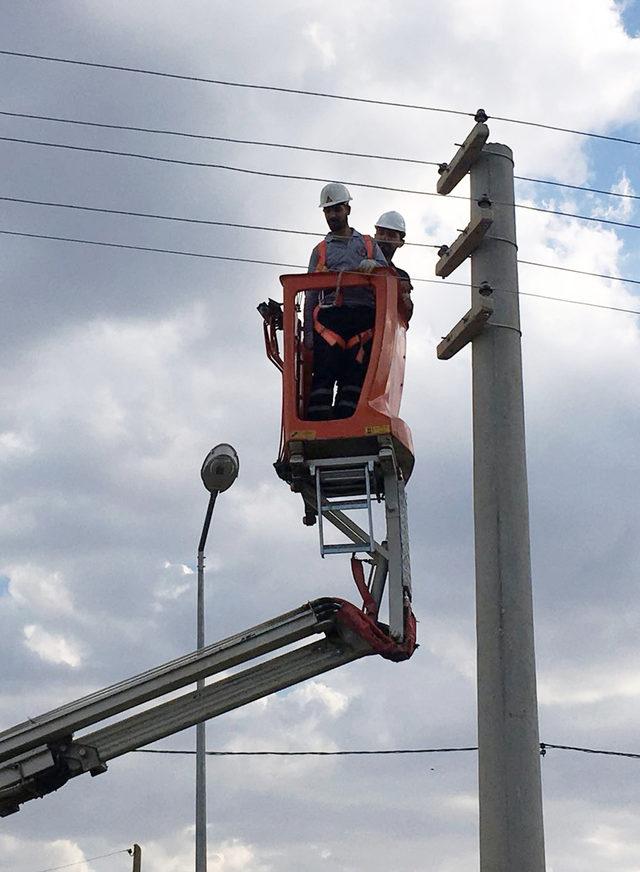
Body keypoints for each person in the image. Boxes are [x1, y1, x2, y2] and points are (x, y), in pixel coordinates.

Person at [305, 183, 387, 420]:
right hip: (330, 319)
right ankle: (319, 422)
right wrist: (309, 336)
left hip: (363, 318)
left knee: (355, 372)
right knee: (324, 371)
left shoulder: (368, 245)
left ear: (347, 210)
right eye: (328, 211)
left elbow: (387, 274)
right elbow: (310, 294)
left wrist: (377, 267)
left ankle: (347, 420)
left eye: (336, 210)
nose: (332, 215)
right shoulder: (320, 251)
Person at [373, 211, 414, 323]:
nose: (384, 238)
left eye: (391, 235)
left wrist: (403, 297)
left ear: (401, 242)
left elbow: (406, 314)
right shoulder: (359, 262)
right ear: (375, 235)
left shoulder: (401, 276)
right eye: (381, 233)